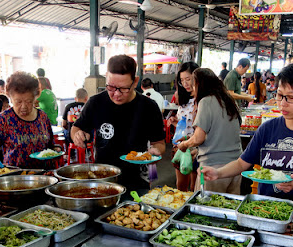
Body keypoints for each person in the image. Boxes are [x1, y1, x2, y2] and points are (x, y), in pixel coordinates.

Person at [203, 61, 293, 201]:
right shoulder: (267, 129)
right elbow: (241, 163)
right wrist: (217, 173)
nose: (282, 103)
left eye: (291, 97)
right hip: (265, 207)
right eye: (279, 95)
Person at [71, 55, 166, 190]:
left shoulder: (148, 107)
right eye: (111, 87)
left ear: (135, 82)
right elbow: (76, 128)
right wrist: (77, 135)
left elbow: (160, 143)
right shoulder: (95, 102)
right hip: (103, 177)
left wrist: (156, 151)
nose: (116, 94)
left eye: (123, 88)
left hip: (137, 178)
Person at [0, 71, 57, 169]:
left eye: (29, 101)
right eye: (18, 102)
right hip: (16, 180)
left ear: (36, 97)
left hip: (46, 177)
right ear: (10, 97)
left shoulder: (42, 117)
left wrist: (56, 149)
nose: (24, 107)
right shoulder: (5, 119)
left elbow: (50, 145)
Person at [178, 68, 243, 194]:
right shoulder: (228, 100)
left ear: (199, 85)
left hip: (213, 169)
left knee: (207, 209)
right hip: (234, 168)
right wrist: (188, 139)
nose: (192, 89)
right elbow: (218, 133)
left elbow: (199, 138)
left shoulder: (206, 101)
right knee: (228, 209)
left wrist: (184, 145)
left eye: (193, 85)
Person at [168, 62, 199, 191]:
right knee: (180, 185)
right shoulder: (182, 98)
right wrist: (176, 122)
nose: (185, 83)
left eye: (188, 79)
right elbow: (184, 123)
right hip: (181, 147)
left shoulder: (203, 100)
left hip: (197, 148)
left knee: (195, 187)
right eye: (182, 80)